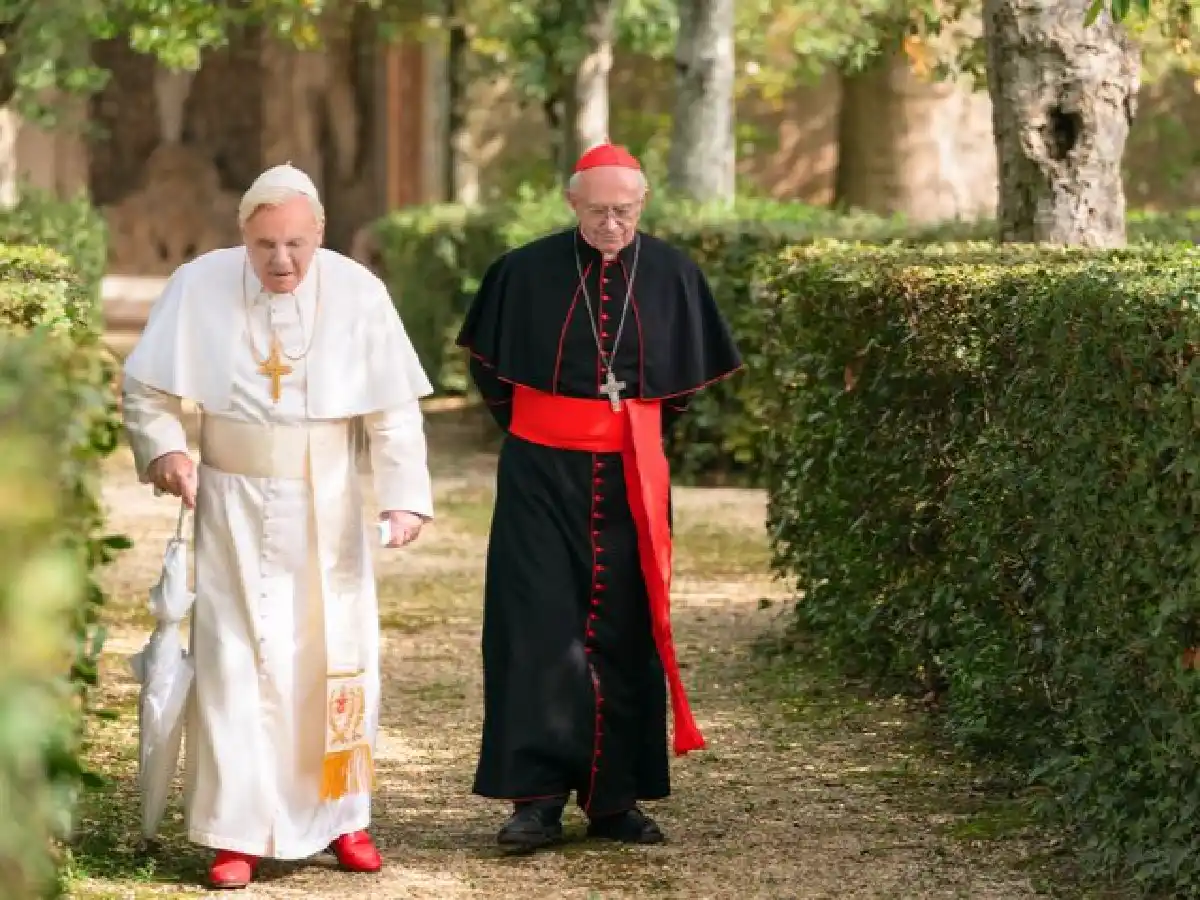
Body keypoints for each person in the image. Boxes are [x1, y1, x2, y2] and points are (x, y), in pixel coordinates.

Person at [121, 163, 435, 889]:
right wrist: (167, 449)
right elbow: (145, 388)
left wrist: (403, 497)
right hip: (229, 502)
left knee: (335, 659)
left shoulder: (359, 293)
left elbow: (392, 412)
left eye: (296, 243)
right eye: (266, 245)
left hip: (328, 501)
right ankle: (236, 831)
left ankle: (344, 817)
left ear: (319, 233)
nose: (282, 261)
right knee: (236, 664)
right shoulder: (199, 283)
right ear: (244, 236)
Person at [457, 142, 743, 852]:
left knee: (625, 627)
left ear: (641, 205)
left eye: (624, 211)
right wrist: (551, 431)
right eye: (597, 211)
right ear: (571, 204)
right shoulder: (521, 272)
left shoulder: (674, 273)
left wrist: (622, 430)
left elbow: (678, 393)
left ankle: (615, 800)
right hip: (539, 476)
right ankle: (537, 799)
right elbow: (491, 377)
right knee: (535, 628)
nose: (611, 224)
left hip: (630, 476)